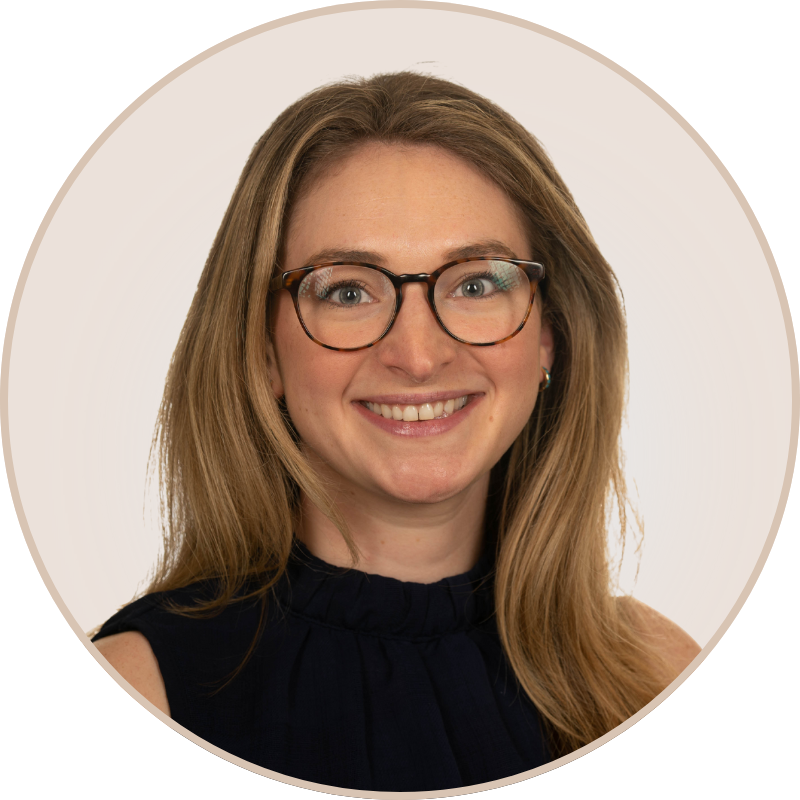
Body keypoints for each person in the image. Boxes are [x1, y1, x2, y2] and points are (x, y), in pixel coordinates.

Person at [92, 71, 700, 792]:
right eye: (348, 291)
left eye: (476, 283)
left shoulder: (657, 677)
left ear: (551, 336)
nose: (417, 355)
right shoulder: (127, 697)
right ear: (263, 352)